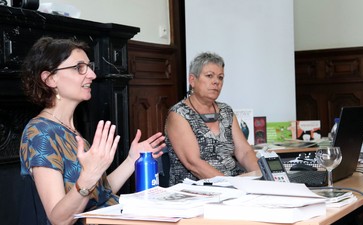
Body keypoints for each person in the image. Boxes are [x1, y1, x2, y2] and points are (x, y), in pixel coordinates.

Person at [19, 37, 165, 225]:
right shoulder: (40, 132)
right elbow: (59, 219)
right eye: (79, 67)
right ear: (50, 78)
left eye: (88, 66)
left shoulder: (70, 130)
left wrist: (131, 160)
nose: (92, 75)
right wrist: (88, 176)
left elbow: (99, 193)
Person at [164, 52, 259, 186]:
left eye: (220, 77)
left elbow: (244, 152)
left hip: (234, 185)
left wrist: (260, 176)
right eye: (209, 76)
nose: (216, 82)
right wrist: (231, 185)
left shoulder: (226, 111)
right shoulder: (179, 114)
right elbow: (193, 163)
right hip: (196, 190)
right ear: (192, 80)